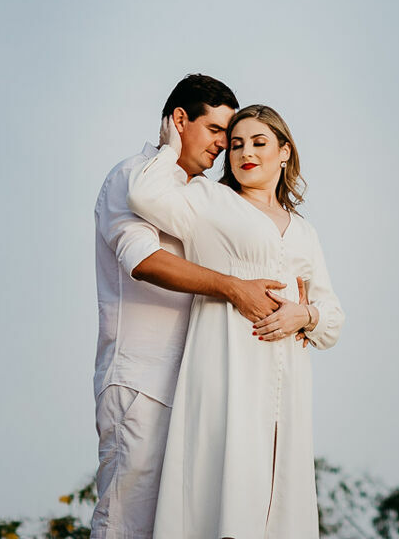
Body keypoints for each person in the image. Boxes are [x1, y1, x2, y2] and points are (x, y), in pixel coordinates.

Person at [93, 74, 295, 539]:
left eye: (230, 135)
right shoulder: (131, 176)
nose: (224, 145)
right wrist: (235, 288)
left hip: (198, 388)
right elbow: (143, 260)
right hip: (143, 382)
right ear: (179, 121)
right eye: (216, 130)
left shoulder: (203, 196)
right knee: (128, 523)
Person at [128, 103, 344, 539]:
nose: (246, 152)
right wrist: (171, 147)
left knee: (279, 499)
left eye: (259, 143)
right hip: (226, 368)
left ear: (284, 151)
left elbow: (333, 319)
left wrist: (304, 314)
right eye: (237, 145)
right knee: (223, 490)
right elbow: (144, 196)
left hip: (288, 385)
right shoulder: (210, 200)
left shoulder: (304, 231)